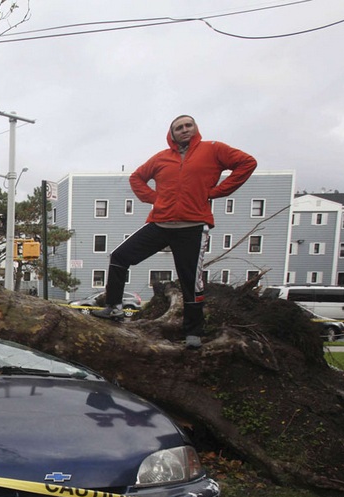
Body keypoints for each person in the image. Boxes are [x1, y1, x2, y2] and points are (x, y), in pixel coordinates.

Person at [93, 115, 257, 348]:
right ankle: (114, 308)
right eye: (179, 127)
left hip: (193, 226)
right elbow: (137, 178)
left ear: (196, 128)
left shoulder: (213, 150)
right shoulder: (161, 158)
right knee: (119, 256)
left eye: (188, 125)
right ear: (172, 134)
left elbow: (247, 163)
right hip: (161, 224)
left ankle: (193, 333)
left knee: (191, 282)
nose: (184, 130)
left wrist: (220, 191)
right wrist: (155, 199)